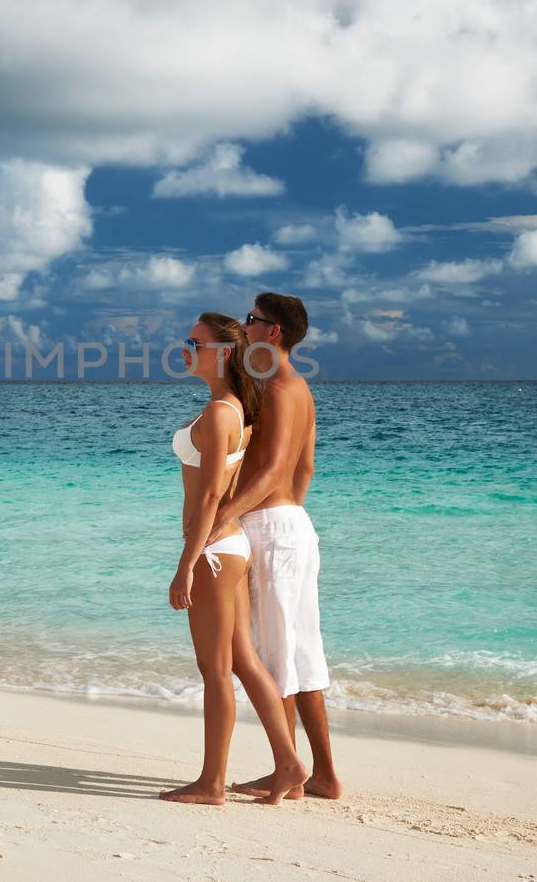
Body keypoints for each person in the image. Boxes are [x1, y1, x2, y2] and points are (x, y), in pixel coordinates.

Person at [160, 312, 309, 806]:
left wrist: (186, 563)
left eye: (194, 342)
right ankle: (288, 764)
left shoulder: (222, 412)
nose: (184, 348)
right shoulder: (227, 407)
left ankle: (212, 783)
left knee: (215, 668)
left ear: (223, 353)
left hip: (214, 552)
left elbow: (207, 500)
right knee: (242, 661)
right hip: (227, 547)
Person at [210, 293, 342, 801]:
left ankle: (287, 769)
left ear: (274, 332)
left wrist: (228, 513)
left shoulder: (281, 387)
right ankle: (323, 775)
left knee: (277, 657)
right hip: (289, 524)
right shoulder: (293, 387)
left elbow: (272, 468)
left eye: (252, 320)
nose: (245, 326)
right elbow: (303, 468)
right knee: (301, 655)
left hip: (273, 527)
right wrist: (287, 512)